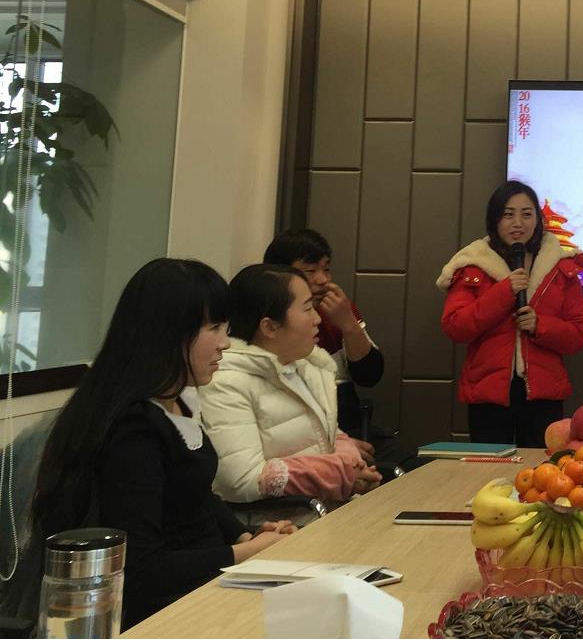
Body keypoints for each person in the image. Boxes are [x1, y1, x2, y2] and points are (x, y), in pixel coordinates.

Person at [24, 259, 295, 629]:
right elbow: (142, 568)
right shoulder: (132, 428)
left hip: (203, 589)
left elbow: (195, 495)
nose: (225, 343)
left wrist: (247, 534)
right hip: (163, 614)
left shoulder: (175, 400)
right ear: (170, 333)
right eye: (214, 328)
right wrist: (245, 552)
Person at [200, 264, 381, 519]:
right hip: (278, 528)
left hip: (327, 515)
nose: (318, 319)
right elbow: (241, 480)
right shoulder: (226, 383)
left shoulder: (306, 366)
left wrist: (353, 465)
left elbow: (328, 433)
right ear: (270, 327)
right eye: (307, 309)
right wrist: (338, 472)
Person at [437, 180, 583, 447]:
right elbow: (455, 326)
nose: (518, 223)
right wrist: (504, 292)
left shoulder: (560, 268)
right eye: (508, 214)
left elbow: (579, 333)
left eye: (527, 214)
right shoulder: (472, 265)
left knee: (541, 469)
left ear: (538, 220)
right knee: (489, 470)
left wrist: (540, 325)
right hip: (489, 395)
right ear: (494, 220)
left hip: (543, 396)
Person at [262, 229, 383, 440]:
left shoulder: (337, 308)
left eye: (326, 269)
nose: (323, 279)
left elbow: (369, 376)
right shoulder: (267, 320)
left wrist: (349, 324)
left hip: (344, 425)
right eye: (310, 271)